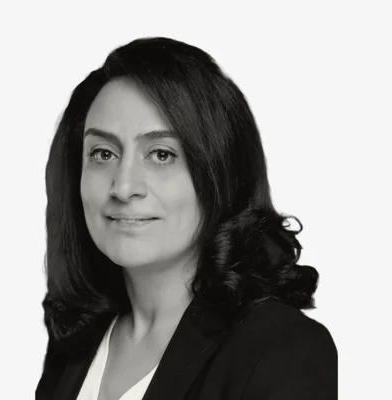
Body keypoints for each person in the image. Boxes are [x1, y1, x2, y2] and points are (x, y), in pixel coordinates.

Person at [35, 37, 337, 400]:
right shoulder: (76, 342)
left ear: (220, 175)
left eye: (161, 154)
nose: (124, 187)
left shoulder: (282, 349)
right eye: (103, 153)